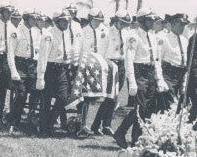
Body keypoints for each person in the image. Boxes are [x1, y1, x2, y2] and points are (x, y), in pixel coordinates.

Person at [114, 8, 168, 148]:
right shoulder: (134, 36)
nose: (153, 22)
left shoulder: (152, 36)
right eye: (149, 19)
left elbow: (156, 60)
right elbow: (129, 61)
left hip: (150, 73)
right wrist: (132, 81)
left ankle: (136, 139)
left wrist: (159, 78)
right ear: (142, 20)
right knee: (140, 107)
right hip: (139, 72)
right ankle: (121, 132)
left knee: (147, 108)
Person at [70, 9, 116, 138]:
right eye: (96, 20)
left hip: (96, 68)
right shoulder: (83, 31)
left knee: (92, 96)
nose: (98, 23)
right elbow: (77, 49)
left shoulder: (103, 32)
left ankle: (86, 124)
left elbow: (105, 50)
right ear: (90, 19)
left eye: (100, 21)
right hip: (84, 66)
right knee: (84, 96)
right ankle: (81, 124)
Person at [37, 10, 80, 136]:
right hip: (50, 69)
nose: (67, 23)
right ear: (58, 21)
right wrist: (41, 76)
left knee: (63, 97)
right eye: (64, 21)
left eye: (69, 21)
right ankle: (44, 128)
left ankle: (50, 122)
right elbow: (43, 57)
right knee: (47, 100)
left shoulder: (66, 34)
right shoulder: (48, 35)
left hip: (62, 69)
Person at [8, 9, 42, 133]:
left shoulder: (37, 32)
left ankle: (31, 120)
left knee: (35, 93)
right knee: (21, 95)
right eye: (32, 18)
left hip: (33, 65)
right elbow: (11, 52)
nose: (35, 21)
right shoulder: (16, 32)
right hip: (20, 65)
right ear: (26, 19)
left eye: (36, 19)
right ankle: (14, 121)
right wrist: (13, 70)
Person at [157, 13, 190, 112]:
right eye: (181, 25)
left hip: (181, 74)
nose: (183, 27)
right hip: (168, 74)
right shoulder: (164, 39)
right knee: (170, 106)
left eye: (184, 25)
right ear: (173, 24)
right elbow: (158, 60)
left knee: (181, 106)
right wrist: (160, 79)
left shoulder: (185, 40)